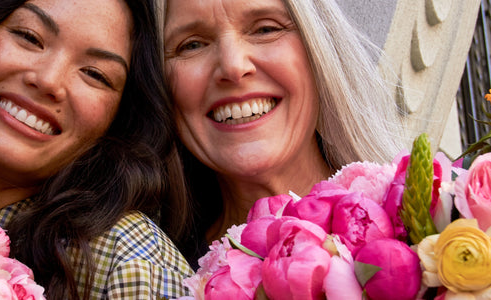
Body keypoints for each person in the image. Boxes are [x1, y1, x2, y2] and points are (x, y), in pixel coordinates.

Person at [0, 0, 193, 298]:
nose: (48, 80)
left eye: (94, 74)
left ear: (120, 118)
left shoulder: (130, 259)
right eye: (29, 37)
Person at [159, 0, 407, 265]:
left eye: (265, 29)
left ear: (318, 48)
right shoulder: (156, 277)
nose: (233, 67)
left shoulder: (432, 221)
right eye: (192, 45)